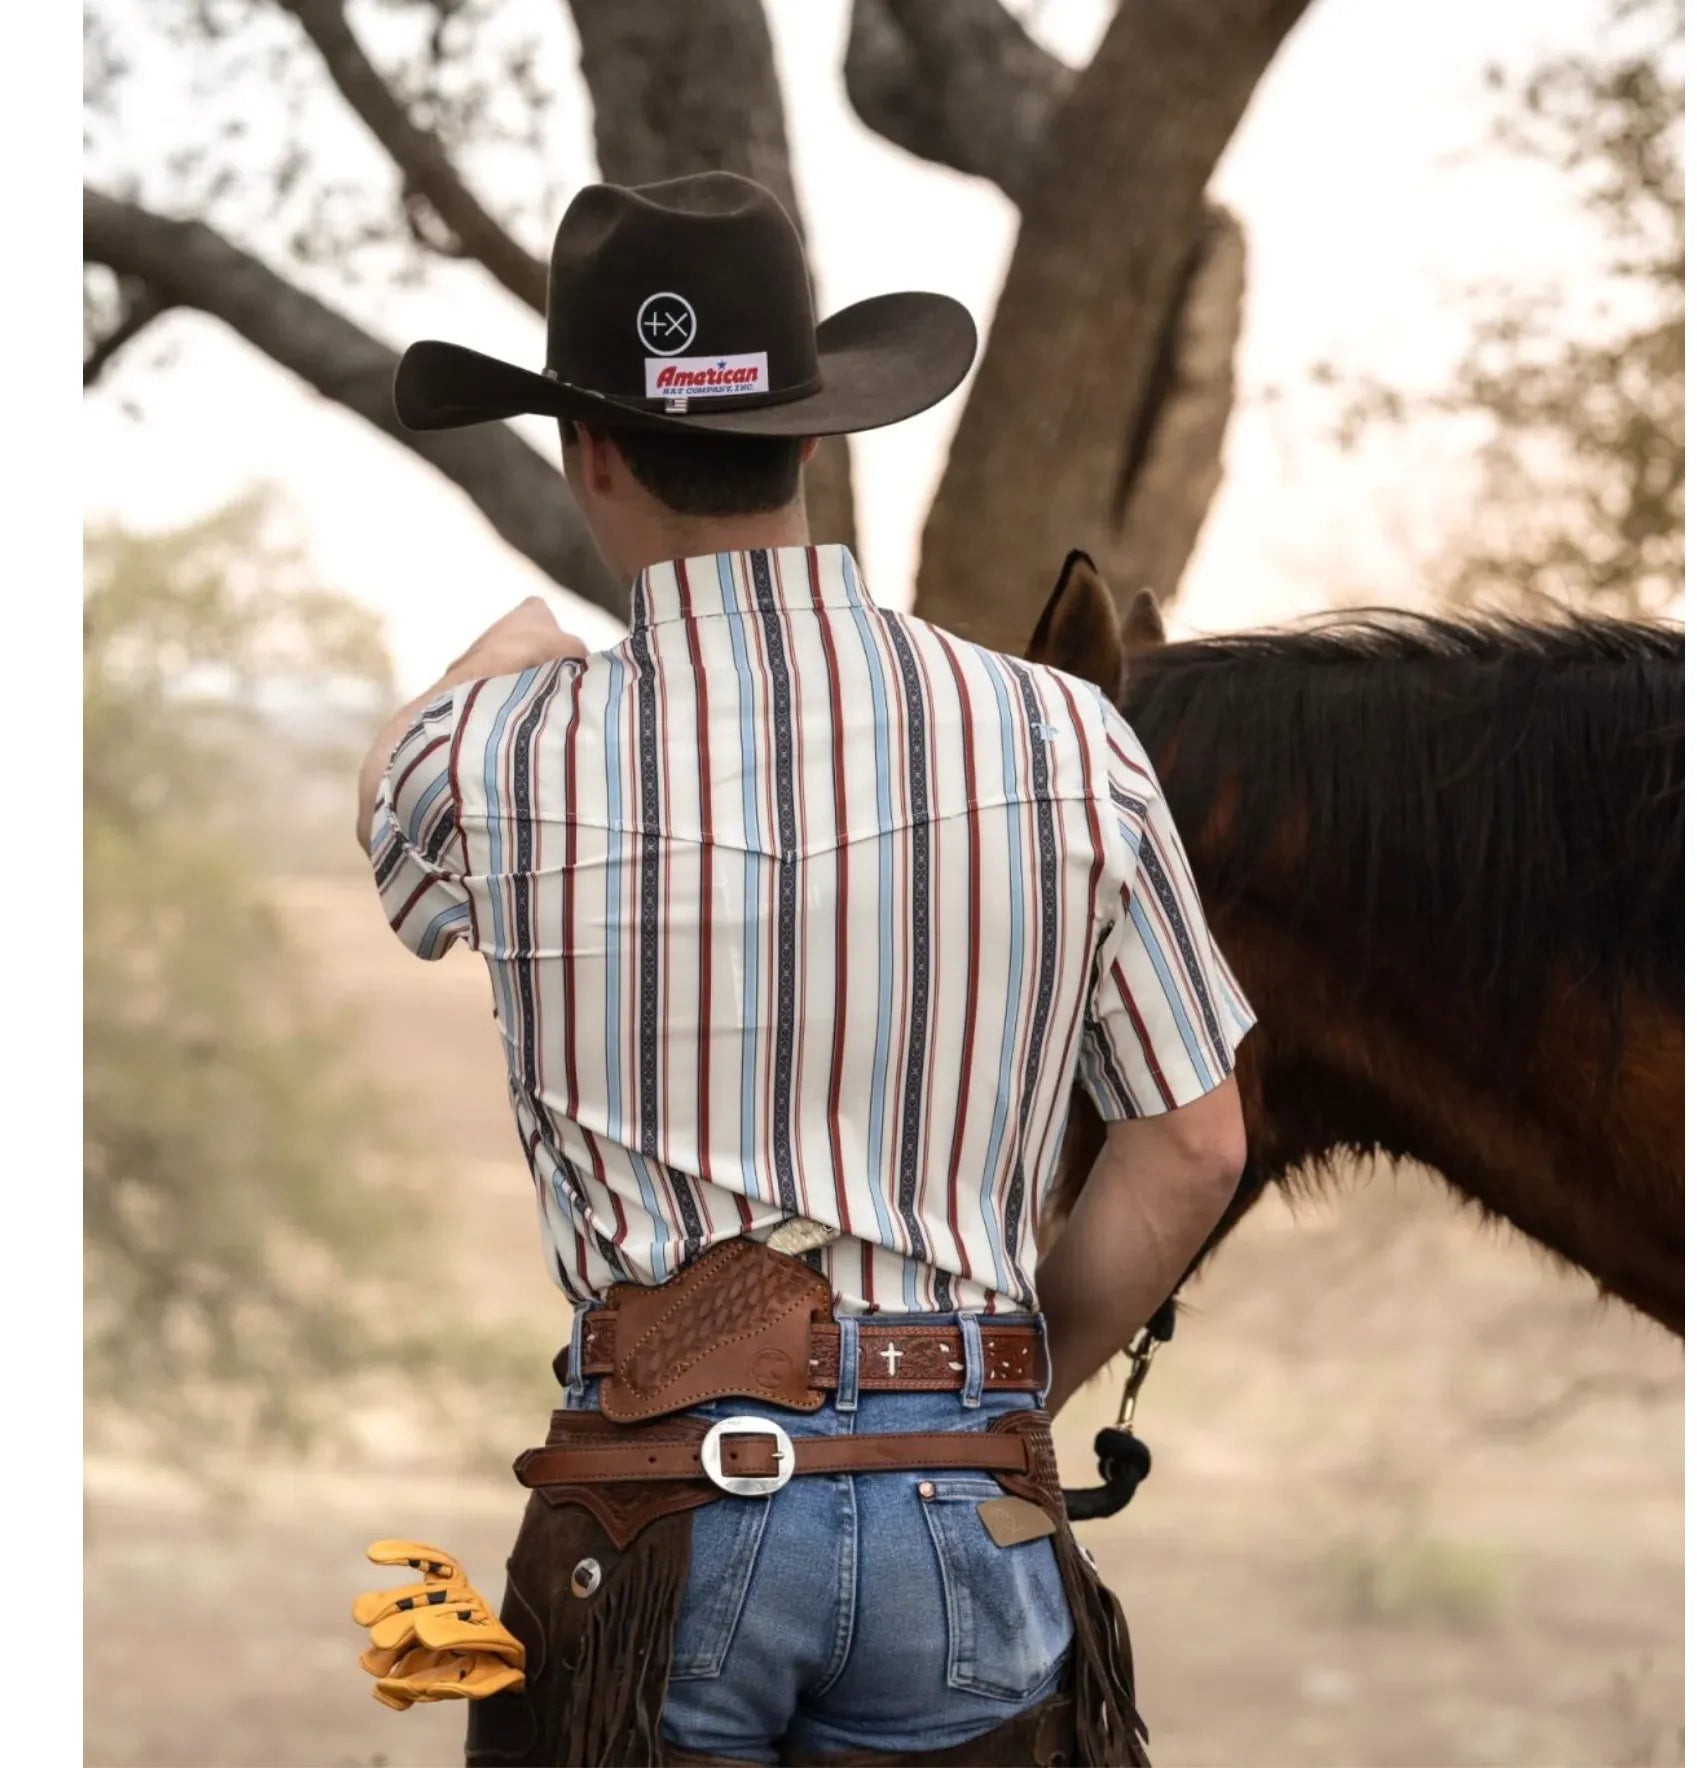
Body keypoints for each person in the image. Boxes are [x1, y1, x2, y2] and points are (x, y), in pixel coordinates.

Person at [354, 171, 1252, 1767]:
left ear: (591, 451)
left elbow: (393, 810)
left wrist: (498, 654)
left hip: (656, 1529)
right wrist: (984, 1405)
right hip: (968, 1502)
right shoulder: (1067, 741)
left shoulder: (497, 754)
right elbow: (1194, 1145)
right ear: (816, 435)